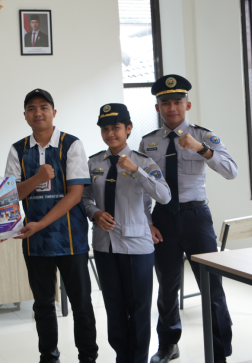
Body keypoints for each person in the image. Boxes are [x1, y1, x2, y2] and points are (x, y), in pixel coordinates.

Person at [140, 75, 238, 363]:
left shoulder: (204, 136)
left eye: (177, 102)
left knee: (212, 286)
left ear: (187, 105)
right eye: (165, 103)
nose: (172, 108)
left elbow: (231, 171)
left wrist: (201, 149)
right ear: (158, 107)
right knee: (167, 287)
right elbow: (142, 186)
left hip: (197, 218)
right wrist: (147, 221)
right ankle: (168, 345)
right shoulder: (148, 142)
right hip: (163, 219)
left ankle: (219, 351)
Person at [4, 89, 98, 363]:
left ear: (53, 112)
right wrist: (36, 179)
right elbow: (11, 195)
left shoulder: (71, 144)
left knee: (81, 304)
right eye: (31, 108)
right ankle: (49, 356)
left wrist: (41, 224)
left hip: (71, 239)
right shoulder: (18, 150)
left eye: (44, 107)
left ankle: (88, 357)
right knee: (43, 304)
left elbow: (75, 194)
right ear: (25, 115)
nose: (38, 113)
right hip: (35, 242)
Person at [83, 103, 170, 363]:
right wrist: (95, 213)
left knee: (140, 309)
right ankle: (122, 357)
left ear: (128, 129)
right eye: (105, 129)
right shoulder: (94, 163)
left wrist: (136, 171)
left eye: (116, 128)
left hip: (136, 246)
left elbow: (164, 196)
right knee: (114, 308)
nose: (110, 134)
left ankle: (138, 359)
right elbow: (84, 198)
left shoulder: (144, 161)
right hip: (104, 244)